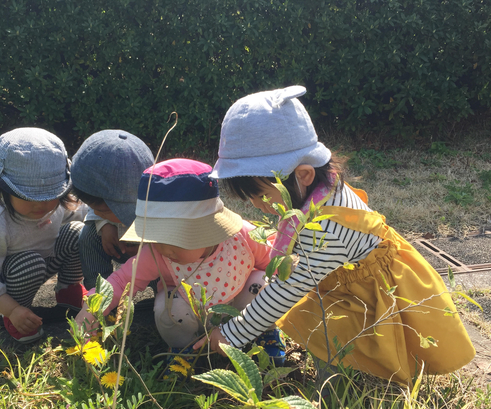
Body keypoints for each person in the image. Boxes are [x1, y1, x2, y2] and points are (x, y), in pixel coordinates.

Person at [195, 85, 475, 385]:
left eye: (261, 195)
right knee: (321, 319)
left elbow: (285, 291)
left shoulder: (328, 231)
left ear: (303, 175)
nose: (256, 205)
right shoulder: (320, 189)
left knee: (325, 326)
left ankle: (340, 390)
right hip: (350, 278)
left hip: (372, 293)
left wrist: (230, 334)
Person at [74, 158, 284, 363]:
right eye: (156, 238)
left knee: (262, 285)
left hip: (241, 311)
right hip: (191, 315)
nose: (165, 249)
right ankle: (183, 350)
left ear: (208, 230)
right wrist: (91, 311)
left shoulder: (242, 238)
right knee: (168, 309)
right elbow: (121, 281)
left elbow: (275, 265)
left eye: (176, 240)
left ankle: (265, 333)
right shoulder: (157, 254)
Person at [0, 128, 88, 343]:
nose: (40, 205)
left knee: (80, 232)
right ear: (2, 187)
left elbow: (89, 215)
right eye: (28, 196)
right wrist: (12, 309)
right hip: (16, 278)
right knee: (29, 263)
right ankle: (19, 316)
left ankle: (69, 291)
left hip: (47, 261)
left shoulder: (59, 206)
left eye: (50, 196)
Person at [70, 130, 154, 290]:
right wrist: (104, 223)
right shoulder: (98, 196)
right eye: (96, 209)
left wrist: (147, 248)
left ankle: (166, 293)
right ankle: (98, 291)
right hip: (117, 244)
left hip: (152, 260)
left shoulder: (155, 200)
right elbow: (98, 207)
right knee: (88, 235)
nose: (98, 213)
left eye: (105, 212)